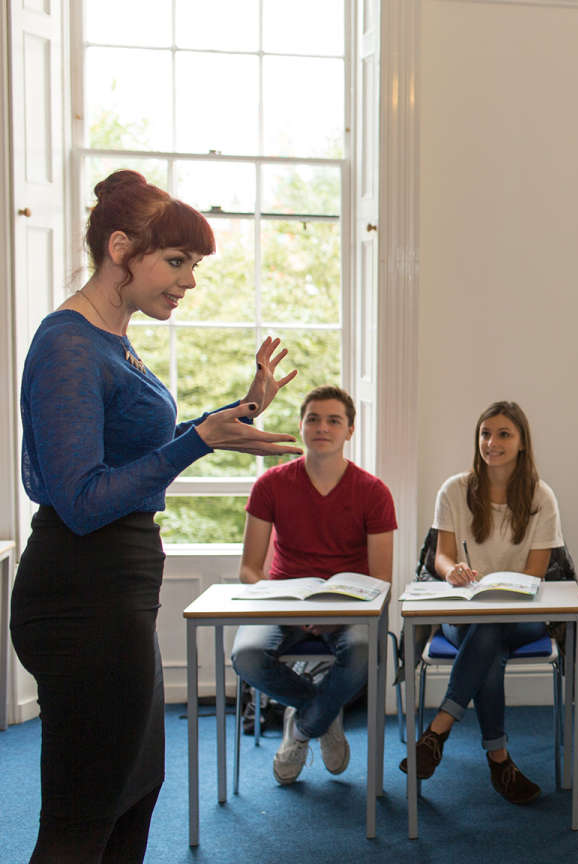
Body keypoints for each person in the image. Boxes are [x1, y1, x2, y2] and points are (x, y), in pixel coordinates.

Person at [10, 170, 300, 863]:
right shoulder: (69, 344)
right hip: (81, 596)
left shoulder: (112, 338)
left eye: (192, 265)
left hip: (114, 594)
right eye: (176, 262)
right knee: (84, 817)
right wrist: (199, 441)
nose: (188, 282)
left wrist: (236, 414)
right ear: (120, 249)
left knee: (134, 793)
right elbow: (83, 501)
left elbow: (132, 449)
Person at [230, 385, 396, 786]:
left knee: (362, 653)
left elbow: (381, 579)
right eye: (313, 419)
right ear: (301, 426)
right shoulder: (270, 485)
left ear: (350, 430)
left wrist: (333, 612)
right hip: (284, 602)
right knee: (246, 655)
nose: (322, 427)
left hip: (348, 606)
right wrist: (291, 607)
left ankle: (303, 728)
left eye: (334, 420)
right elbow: (249, 570)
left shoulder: (373, 491)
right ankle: (323, 713)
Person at [401, 401, 563, 805]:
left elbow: (536, 574)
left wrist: (501, 592)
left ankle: (439, 729)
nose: (492, 442)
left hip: (523, 616)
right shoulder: (454, 489)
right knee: (488, 640)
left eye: (504, 434)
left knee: (489, 629)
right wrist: (452, 570)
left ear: (522, 442)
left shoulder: (541, 497)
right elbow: (441, 556)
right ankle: (498, 760)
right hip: (464, 613)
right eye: (485, 434)